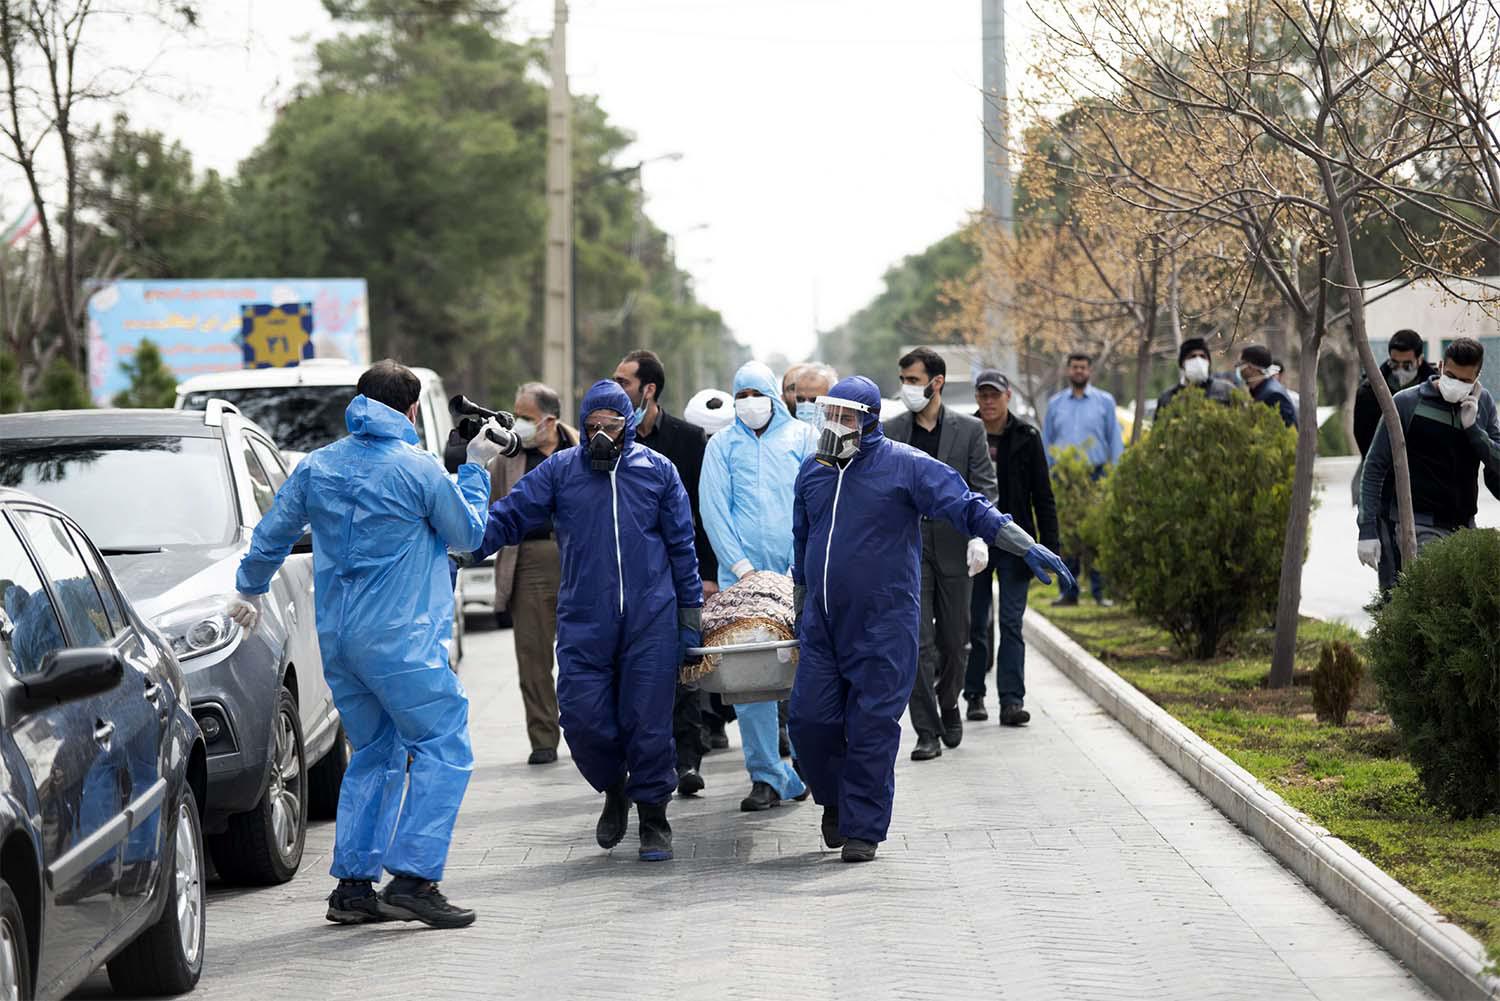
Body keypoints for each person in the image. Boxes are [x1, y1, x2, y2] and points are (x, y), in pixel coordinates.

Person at [232, 360, 504, 929]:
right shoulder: (418, 468)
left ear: (358, 403)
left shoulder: (318, 466)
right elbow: (469, 536)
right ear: (409, 411)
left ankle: (353, 887)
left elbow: (272, 533)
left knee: (375, 754)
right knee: (443, 744)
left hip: (341, 641)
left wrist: (248, 591)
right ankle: (415, 879)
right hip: (401, 641)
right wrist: (475, 468)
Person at [789, 376, 1074, 862]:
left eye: (845, 416)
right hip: (822, 625)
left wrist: (1021, 543)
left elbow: (965, 505)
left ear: (869, 420)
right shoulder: (812, 474)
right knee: (808, 723)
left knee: (871, 728)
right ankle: (834, 798)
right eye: (829, 415)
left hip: (884, 624)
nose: (834, 425)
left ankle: (862, 827)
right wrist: (800, 602)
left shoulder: (905, 466)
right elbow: (802, 539)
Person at [473, 379, 702, 862]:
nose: (601, 435)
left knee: (648, 722)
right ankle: (613, 788)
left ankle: (653, 818)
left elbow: (682, 545)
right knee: (582, 718)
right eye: (593, 425)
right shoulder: (560, 471)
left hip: (650, 619)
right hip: (584, 618)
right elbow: (509, 516)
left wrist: (690, 613)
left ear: (629, 427)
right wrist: (464, 543)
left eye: (611, 427)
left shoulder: (657, 471)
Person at [700, 361, 814, 812]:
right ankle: (766, 775)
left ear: (772, 393)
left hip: (794, 576)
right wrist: (742, 567)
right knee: (750, 683)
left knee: (805, 672)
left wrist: (796, 563)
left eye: (756, 392)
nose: (749, 401)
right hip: (741, 580)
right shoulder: (722, 446)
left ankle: (807, 765)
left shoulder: (801, 439)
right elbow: (714, 509)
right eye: (740, 394)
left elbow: (812, 500)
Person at [614, 350, 721, 789]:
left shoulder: (688, 441)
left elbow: (706, 512)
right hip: (630, 580)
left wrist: (707, 574)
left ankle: (688, 759)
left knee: (683, 667)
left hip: (682, 574)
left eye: (623, 381)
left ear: (648, 389)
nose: (614, 387)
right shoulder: (609, 441)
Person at [884, 347, 997, 760]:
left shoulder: (969, 431)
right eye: (903, 380)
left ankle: (950, 702)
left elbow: (983, 486)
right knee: (916, 643)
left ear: (937, 382)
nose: (906, 388)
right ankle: (926, 731)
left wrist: (979, 535)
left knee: (955, 641)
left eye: (913, 380)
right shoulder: (893, 430)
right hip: (908, 552)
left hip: (954, 545)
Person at [1358, 337, 1500, 591]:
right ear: (1442, 366)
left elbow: (1497, 467)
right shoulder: (1407, 402)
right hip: (1417, 525)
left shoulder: (1484, 404)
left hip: (1464, 525)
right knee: (1435, 598)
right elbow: (1374, 466)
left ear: (1477, 378)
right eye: (1451, 375)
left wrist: (1474, 430)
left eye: (1465, 381)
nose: (1456, 385)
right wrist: (1367, 529)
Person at [963, 369, 1060, 727]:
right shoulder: (966, 431)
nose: (988, 401)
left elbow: (1043, 496)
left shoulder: (1026, 436)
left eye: (994, 395)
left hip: (1017, 544)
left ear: (1007, 397)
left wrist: (1049, 548)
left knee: (1011, 622)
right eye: (982, 395)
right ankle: (973, 694)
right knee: (975, 623)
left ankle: (1011, 699)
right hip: (975, 541)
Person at [488, 382, 578, 766]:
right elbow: (492, 509)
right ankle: (543, 738)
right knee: (533, 655)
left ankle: (587, 731)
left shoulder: (581, 448)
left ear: (550, 421)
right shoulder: (506, 458)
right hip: (527, 557)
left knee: (583, 651)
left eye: (525, 416)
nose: (519, 423)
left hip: (578, 557)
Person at [1042, 352, 1122, 606]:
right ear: (1068, 370)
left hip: (1095, 474)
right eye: (1074, 367)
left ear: (1089, 371)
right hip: (1065, 477)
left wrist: (1115, 473)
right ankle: (1069, 592)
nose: (1079, 371)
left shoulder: (1104, 401)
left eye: (1083, 367)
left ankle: (1100, 593)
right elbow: (1047, 441)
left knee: (1096, 534)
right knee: (1067, 536)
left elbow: (1114, 439)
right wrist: (1048, 474)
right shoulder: (1055, 404)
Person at [1354, 330, 1434, 458]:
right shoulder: (1369, 391)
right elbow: (1364, 437)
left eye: (1407, 365)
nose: (1400, 370)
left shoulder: (1435, 391)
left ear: (1420, 360)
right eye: (1395, 364)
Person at [1156, 337, 1235, 414]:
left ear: (1208, 362)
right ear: (1182, 363)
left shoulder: (1226, 391)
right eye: (1192, 356)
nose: (1198, 360)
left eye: (1202, 356)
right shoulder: (1168, 398)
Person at [1236, 344, 1298, 428]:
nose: (1238, 368)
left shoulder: (1273, 395)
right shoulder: (1260, 391)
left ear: (1251, 367)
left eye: (1240, 364)